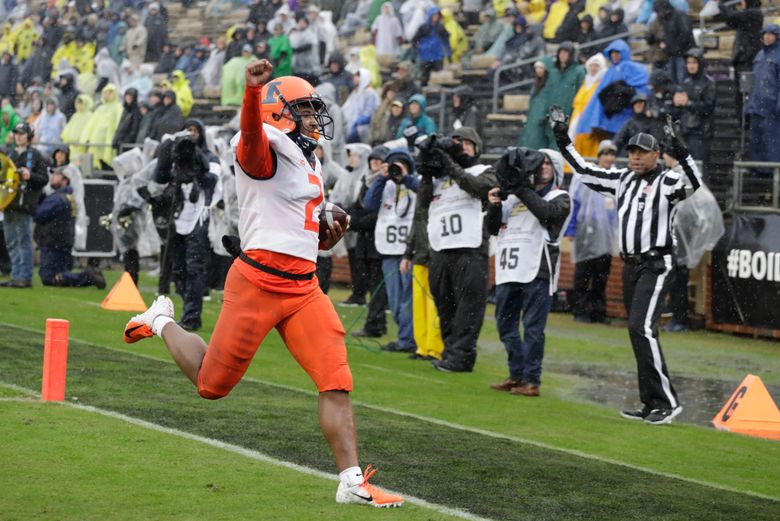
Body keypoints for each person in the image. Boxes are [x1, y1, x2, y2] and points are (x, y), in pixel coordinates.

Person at [122, 60, 403, 507]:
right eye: (305, 110)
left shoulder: (308, 158)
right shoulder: (262, 143)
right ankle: (160, 321)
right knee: (211, 385)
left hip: (303, 287)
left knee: (336, 378)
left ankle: (351, 481)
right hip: (257, 283)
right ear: (279, 112)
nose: (314, 119)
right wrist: (252, 94)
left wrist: (327, 233)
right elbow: (252, 141)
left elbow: (298, 225)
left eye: (314, 110)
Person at [552, 105, 703, 425]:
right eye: (632, 151)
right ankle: (650, 402)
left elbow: (694, 185)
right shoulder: (622, 179)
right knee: (638, 333)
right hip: (632, 265)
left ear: (657, 155)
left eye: (642, 152)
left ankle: (667, 402)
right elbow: (583, 171)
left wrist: (683, 151)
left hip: (656, 263)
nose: (634, 157)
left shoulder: (667, 181)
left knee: (641, 328)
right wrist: (563, 140)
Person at [487, 146, 572, 397]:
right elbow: (492, 227)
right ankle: (517, 374)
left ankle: (532, 380)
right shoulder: (512, 199)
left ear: (555, 169)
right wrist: (493, 204)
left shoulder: (560, 196)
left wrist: (521, 187)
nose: (543, 167)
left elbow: (547, 214)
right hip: (509, 269)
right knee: (505, 325)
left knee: (533, 328)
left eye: (548, 163)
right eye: (539, 162)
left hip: (538, 268)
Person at [416, 127, 497, 372]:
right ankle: (450, 352)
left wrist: (448, 162)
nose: (463, 148)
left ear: (477, 148)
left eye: (468, 144)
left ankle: (462, 357)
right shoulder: (441, 177)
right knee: (445, 306)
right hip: (441, 249)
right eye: (458, 143)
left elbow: (475, 187)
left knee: (468, 308)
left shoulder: (484, 170)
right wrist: (428, 170)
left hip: (470, 249)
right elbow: (423, 203)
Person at [363, 148, 418, 353]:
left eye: (401, 164)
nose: (397, 169)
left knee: (408, 300)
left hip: (408, 251)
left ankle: (408, 340)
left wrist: (406, 177)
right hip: (387, 250)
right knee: (395, 302)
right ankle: (406, 336)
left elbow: (425, 192)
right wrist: (381, 177)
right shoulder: (385, 186)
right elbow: (369, 205)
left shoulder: (415, 183)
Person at [563, 140, 618, 324]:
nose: (609, 158)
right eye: (606, 154)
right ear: (599, 156)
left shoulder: (616, 178)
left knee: (601, 277)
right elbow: (575, 203)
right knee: (583, 275)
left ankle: (598, 312)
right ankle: (580, 310)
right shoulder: (587, 176)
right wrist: (571, 230)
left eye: (612, 154)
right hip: (586, 234)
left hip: (606, 238)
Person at [32, 163, 105, 288]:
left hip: (53, 243)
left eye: (56, 175)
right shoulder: (69, 197)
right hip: (62, 242)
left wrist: (36, 201)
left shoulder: (57, 198)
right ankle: (88, 277)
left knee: (48, 277)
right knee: (60, 274)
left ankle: (88, 276)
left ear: (65, 180)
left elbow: (38, 215)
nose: (52, 177)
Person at [344, 144, 389, 339]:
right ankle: (374, 321)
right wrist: (352, 219)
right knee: (371, 283)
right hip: (364, 241)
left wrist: (353, 222)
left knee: (377, 286)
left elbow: (376, 215)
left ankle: (376, 323)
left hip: (376, 242)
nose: (376, 166)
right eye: (373, 162)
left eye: (379, 162)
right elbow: (358, 206)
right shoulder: (367, 181)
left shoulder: (386, 185)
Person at [0, 123, 49, 288]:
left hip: (25, 205)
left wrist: (30, 176)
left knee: (23, 242)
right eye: (16, 133)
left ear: (29, 136)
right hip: (8, 204)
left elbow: (44, 179)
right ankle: (16, 275)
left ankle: (25, 277)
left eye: (21, 133)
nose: (18, 136)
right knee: (12, 242)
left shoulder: (35, 155)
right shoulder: (10, 154)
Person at [671, 48, 716, 170]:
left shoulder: (709, 83)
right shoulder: (686, 82)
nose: (691, 66)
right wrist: (676, 102)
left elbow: (708, 107)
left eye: (694, 62)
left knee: (700, 170)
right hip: (685, 131)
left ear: (700, 63)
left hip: (700, 133)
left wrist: (688, 103)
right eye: (689, 62)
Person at [745, 24, 780, 163]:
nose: (767, 37)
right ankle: (757, 170)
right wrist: (748, 104)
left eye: (771, 34)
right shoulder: (759, 55)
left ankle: (772, 173)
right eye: (765, 34)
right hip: (756, 106)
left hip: (772, 107)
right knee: (756, 141)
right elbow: (753, 82)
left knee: (772, 142)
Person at [411, 7, 450, 86]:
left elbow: (446, 40)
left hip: (437, 55)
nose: (436, 17)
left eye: (437, 15)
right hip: (425, 56)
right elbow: (414, 40)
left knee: (439, 78)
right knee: (424, 77)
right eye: (434, 15)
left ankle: (438, 95)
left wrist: (449, 53)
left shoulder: (441, 27)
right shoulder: (423, 27)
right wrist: (414, 54)